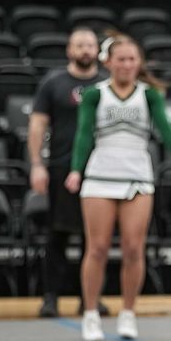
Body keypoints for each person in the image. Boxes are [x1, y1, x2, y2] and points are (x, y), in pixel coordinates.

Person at [65, 34, 171, 341]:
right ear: (108, 62)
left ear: (139, 63)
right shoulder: (95, 94)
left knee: (133, 248)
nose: (126, 65)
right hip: (101, 173)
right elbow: (84, 133)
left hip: (137, 173)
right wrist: (76, 169)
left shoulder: (149, 94)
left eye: (132, 59)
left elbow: (165, 129)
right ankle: (90, 313)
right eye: (121, 59)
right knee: (97, 248)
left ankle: (128, 312)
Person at [28, 28, 108, 318]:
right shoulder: (53, 82)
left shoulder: (106, 84)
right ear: (69, 50)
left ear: (97, 50)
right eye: (79, 45)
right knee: (57, 235)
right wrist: (37, 164)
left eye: (90, 45)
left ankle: (90, 298)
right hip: (61, 167)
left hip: (99, 168)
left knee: (95, 237)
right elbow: (37, 124)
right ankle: (50, 298)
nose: (85, 50)